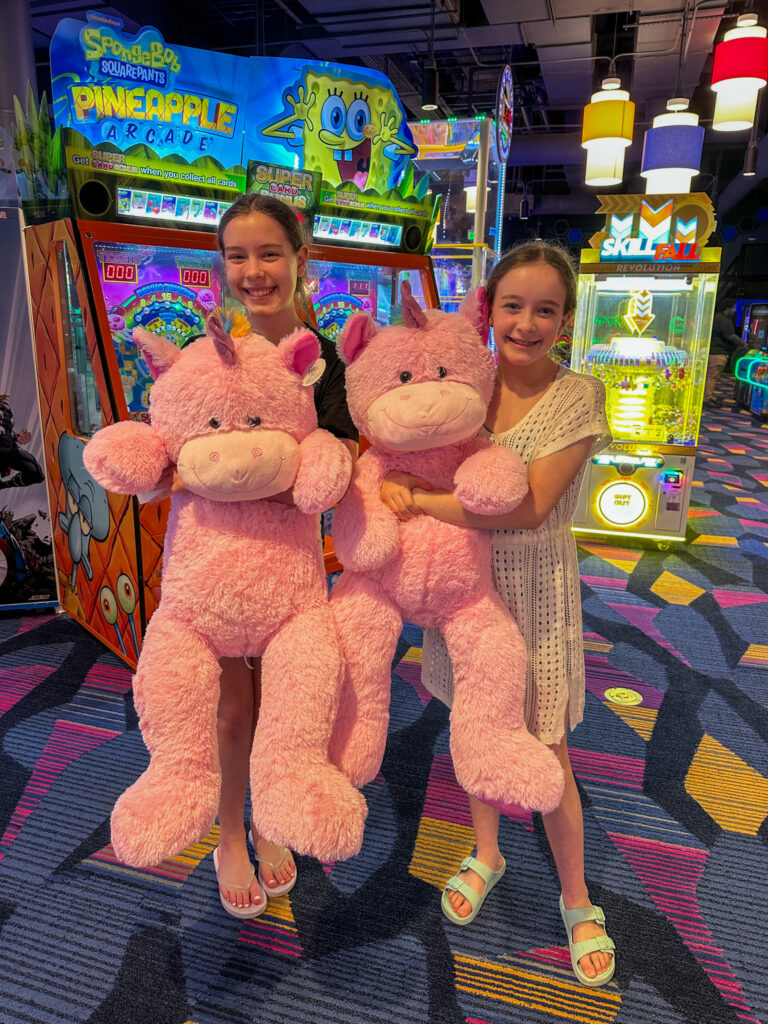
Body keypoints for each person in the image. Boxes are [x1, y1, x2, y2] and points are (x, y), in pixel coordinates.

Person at [380, 242, 616, 987]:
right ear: (488, 309)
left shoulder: (578, 396)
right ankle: (487, 852)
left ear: (566, 319)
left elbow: (527, 506)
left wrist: (420, 501)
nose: (527, 323)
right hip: (463, 590)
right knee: (473, 727)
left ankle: (576, 899)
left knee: (548, 745)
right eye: (513, 305)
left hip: (536, 594)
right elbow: (406, 436)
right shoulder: (466, 380)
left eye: (546, 309)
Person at [151, 194, 358, 917]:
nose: (254, 271)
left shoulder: (322, 360)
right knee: (231, 708)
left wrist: (264, 474)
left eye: (269, 253)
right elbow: (171, 441)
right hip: (210, 563)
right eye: (237, 256)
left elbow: (341, 458)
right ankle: (229, 834)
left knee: (283, 705)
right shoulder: (207, 345)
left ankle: (271, 820)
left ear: (302, 258)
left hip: (286, 566)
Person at [704, 302, 742, 407]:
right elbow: (730, 336)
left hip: (710, 351)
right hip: (718, 352)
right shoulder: (724, 320)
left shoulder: (715, 317)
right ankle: (707, 398)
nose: (734, 311)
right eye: (733, 308)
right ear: (727, 308)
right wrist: (743, 343)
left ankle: (706, 397)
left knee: (708, 375)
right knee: (713, 376)